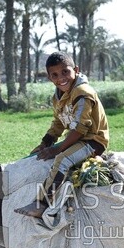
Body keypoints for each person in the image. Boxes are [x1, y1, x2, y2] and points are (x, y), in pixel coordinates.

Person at [15, 52, 109, 218]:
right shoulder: (57, 97)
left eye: (65, 72)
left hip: (92, 141)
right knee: (35, 156)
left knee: (62, 160)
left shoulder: (82, 92)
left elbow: (79, 129)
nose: (61, 78)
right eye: (55, 75)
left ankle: (41, 203)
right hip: (76, 139)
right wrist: (46, 143)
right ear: (50, 78)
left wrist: (56, 149)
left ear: (76, 70)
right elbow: (58, 123)